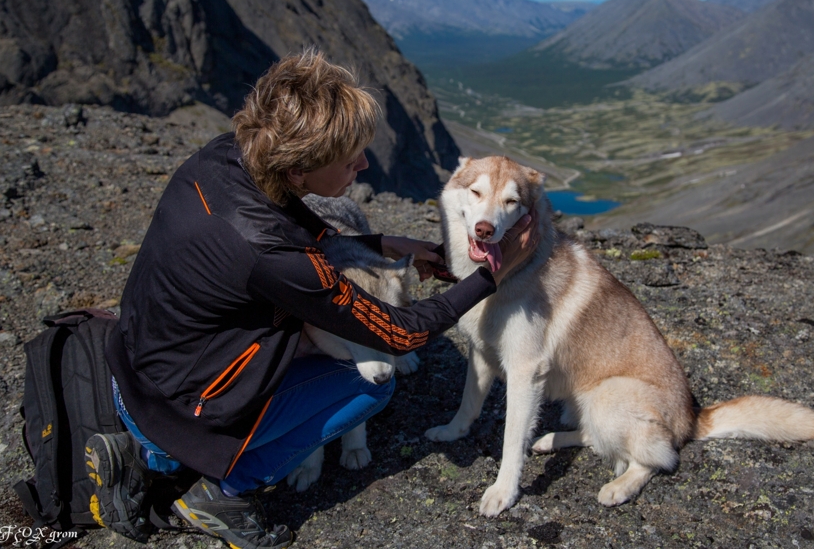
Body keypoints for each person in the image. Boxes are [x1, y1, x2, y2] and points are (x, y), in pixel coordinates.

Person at [86, 50, 538, 548]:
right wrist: (491, 275)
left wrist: (382, 245)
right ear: (299, 168)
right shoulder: (267, 255)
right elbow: (398, 332)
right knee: (374, 384)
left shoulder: (223, 155)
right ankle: (220, 488)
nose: (363, 166)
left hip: (131, 373)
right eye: (350, 161)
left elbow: (286, 225)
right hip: (183, 406)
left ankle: (151, 453)